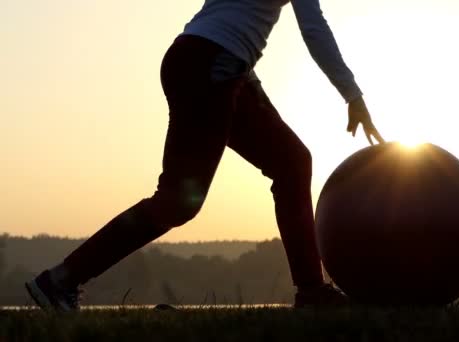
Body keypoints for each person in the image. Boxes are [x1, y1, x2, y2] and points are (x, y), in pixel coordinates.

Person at [26, 0, 384, 311]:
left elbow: (232, 13)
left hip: (214, 63)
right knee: (178, 202)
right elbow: (313, 28)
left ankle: (311, 292)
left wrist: (246, 80)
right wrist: (352, 95)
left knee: (291, 162)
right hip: (211, 65)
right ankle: (60, 281)